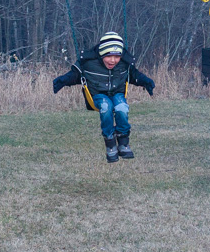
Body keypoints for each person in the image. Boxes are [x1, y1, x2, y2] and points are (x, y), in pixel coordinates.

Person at [52, 32, 155, 163]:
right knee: (106, 107)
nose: (113, 60)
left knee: (122, 107)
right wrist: (61, 81)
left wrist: (147, 82)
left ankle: (123, 142)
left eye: (117, 56)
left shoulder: (124, 64)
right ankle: (110, 142)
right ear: (102, 54)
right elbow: (73, 75)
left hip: (118, 94)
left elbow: (136, 75)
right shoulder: (88, 63)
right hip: (98, 96)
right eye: (109, 56)